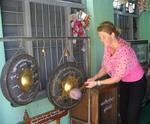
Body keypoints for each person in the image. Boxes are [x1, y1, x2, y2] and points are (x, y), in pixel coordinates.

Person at [84, 21, 147, 124]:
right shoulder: (108, 46)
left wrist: (97, 83)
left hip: (137, 83)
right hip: (125, 81)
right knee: (123, 113)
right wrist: (94, 78)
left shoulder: (124, 50)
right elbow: (105, 67)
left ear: (112, 35)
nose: (101, 40)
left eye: (104, 37)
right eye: (100, 37)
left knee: (132, 116)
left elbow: (116, 78)